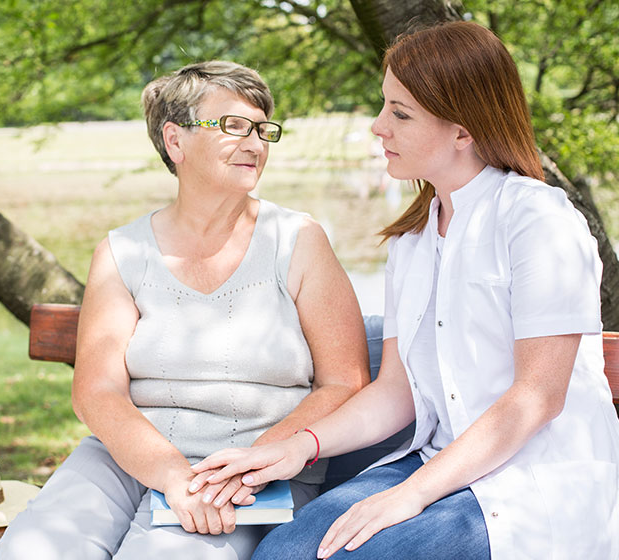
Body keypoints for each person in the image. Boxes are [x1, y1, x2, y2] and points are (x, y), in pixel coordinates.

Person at [190, 21, 619, 559]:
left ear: (462, 131)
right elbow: (396, 391)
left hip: (535, 482)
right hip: (440, 463)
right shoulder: (412, 241)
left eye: (400, 113)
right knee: (282, 553)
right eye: (383, 106)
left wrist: (409, 496)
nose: (378, 126)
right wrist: (298, 446)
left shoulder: (538, 220)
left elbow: (537, 398)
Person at [0, 60, 370, 560]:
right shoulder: (123, 251)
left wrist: (254, 462)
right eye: (234, 126)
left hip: (250, 470)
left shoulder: (298, 240)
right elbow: (96, 390)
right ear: (175, 141)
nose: (255, 144)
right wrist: (171, 474)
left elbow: (344, 382)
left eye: (262, 130)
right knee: (32, 551)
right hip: (126, 454)